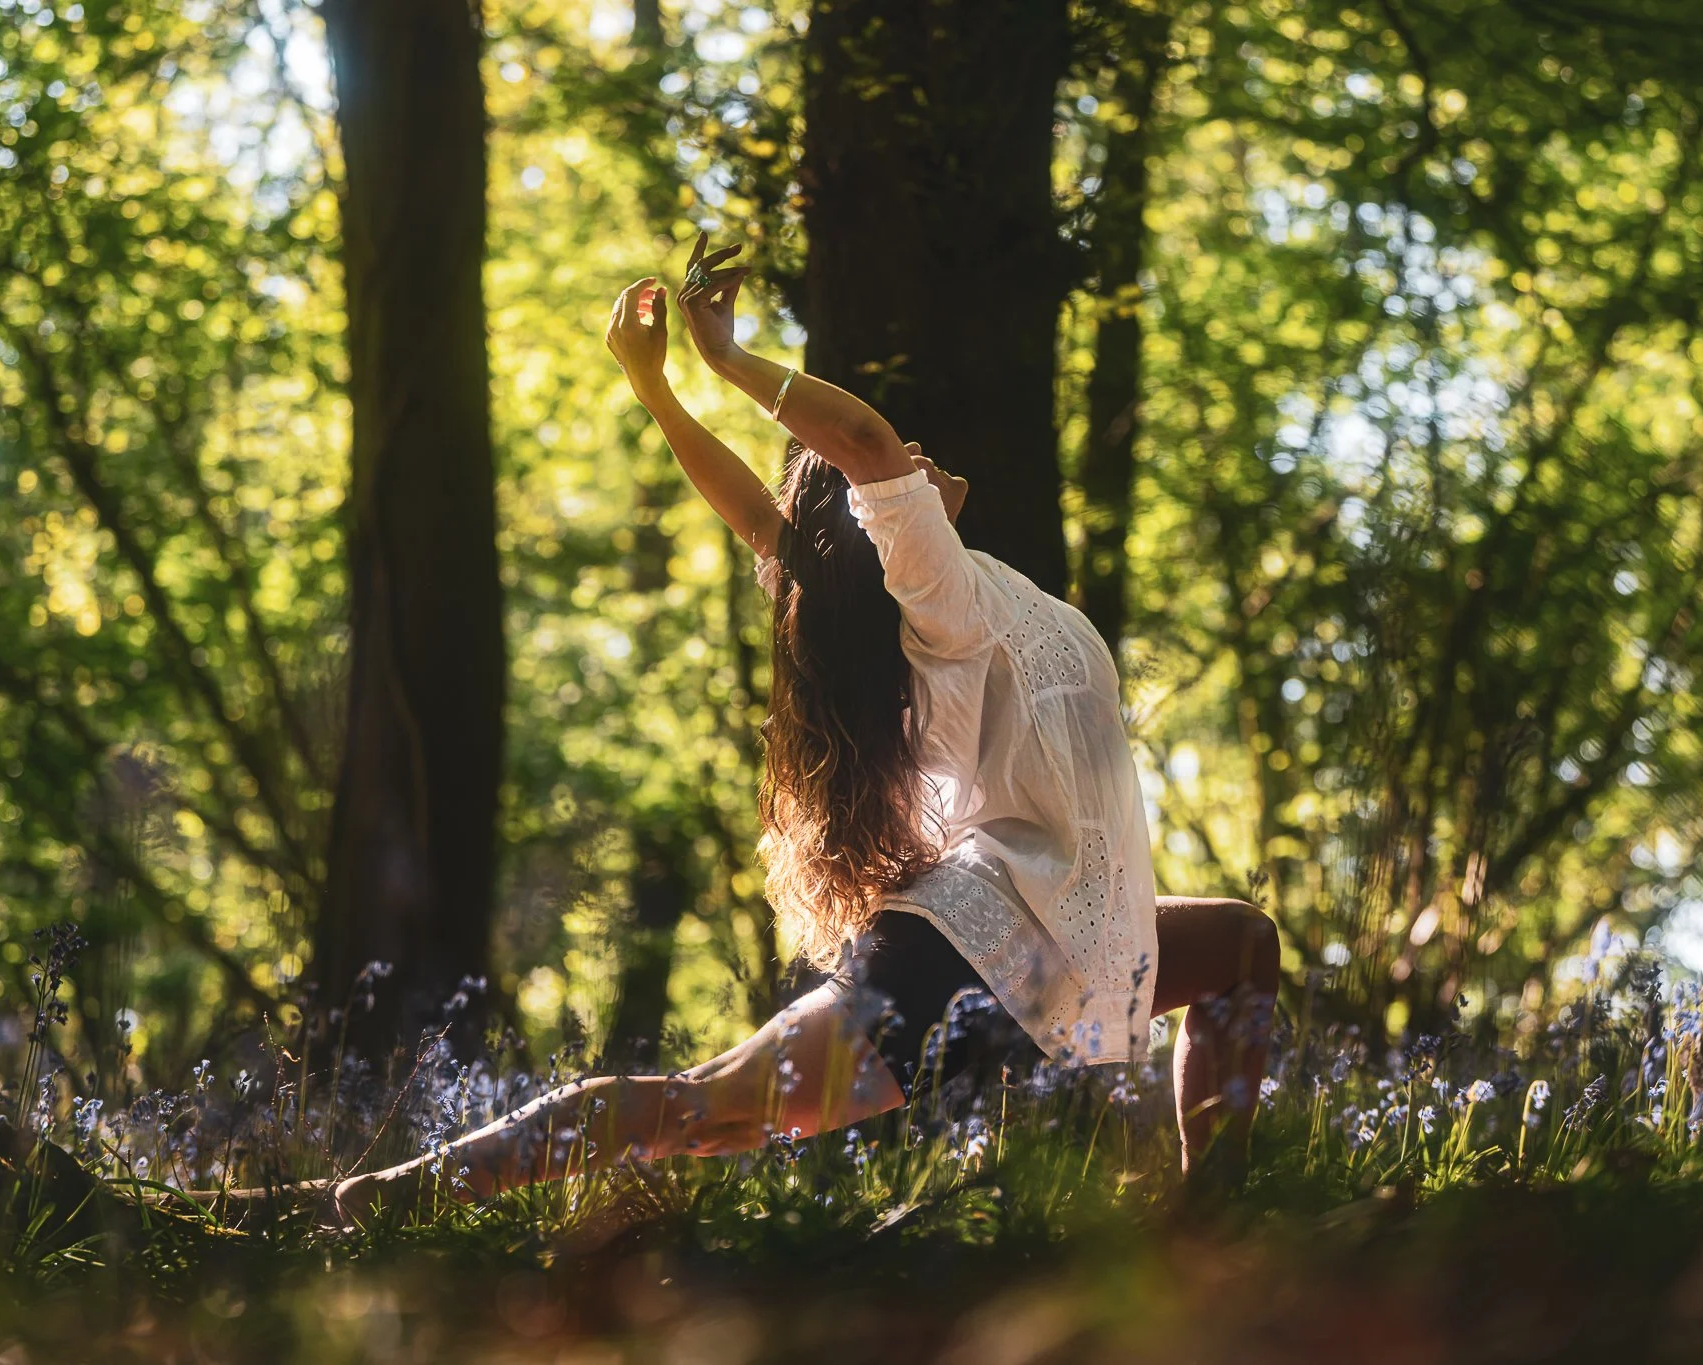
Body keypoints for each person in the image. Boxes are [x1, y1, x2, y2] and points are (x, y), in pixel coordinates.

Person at [330, 234, 1280, 1223]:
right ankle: (378, 1197)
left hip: (1061, 937)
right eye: (891, 475)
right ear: (875, 525)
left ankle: (1209, 1216)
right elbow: (861, 446)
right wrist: (723, 362)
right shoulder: (934, 592)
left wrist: (654, 392)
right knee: (713, 1111)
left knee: (1241, 945)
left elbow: (754, 514)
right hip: (974, 944)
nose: (908, 460)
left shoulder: (890, 604)